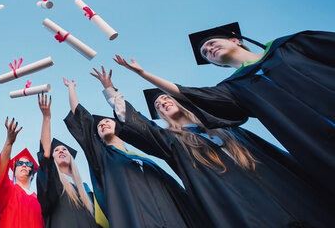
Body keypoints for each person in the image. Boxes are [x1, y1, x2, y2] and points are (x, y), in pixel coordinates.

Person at [91, 66, 334, 227]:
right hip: (241, 208)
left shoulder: (228, 129)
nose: (163, 102)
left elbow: (278, 157)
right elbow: (138, 126)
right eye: (158, 105)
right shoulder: (172, 142)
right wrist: (111, 91)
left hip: (286, 193)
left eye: (167, 97)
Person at [115, 21, 335, 193]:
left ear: (236, 40)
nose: (208, 49)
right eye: (205, 53)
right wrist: (144, 74)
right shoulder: (234, 89)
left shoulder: (290, 46)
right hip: (318, 144)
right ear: (216, 64)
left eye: (211, 44)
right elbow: (188, 94)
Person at [62, 77, 198, 228]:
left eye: (108, 121)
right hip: (134, 220)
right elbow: (81, 120)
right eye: (99, 125)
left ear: (119, 129)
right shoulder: (102, 156)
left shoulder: (143, 159)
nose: (104, 123)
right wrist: (71, 88)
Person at [36, 93, 97, 228]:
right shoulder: (54, 182)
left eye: (64, 149)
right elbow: (45, 157)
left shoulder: (85, 191)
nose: (61, 151)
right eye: (56, 150)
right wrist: (46, 118)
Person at [0, 118, 44, 228]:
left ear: (33, 173)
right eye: (19, 163)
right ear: (13, 171)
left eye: (28, 164)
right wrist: (9, 143)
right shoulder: (9, 190)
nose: (24, 165)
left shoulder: (40, 201)